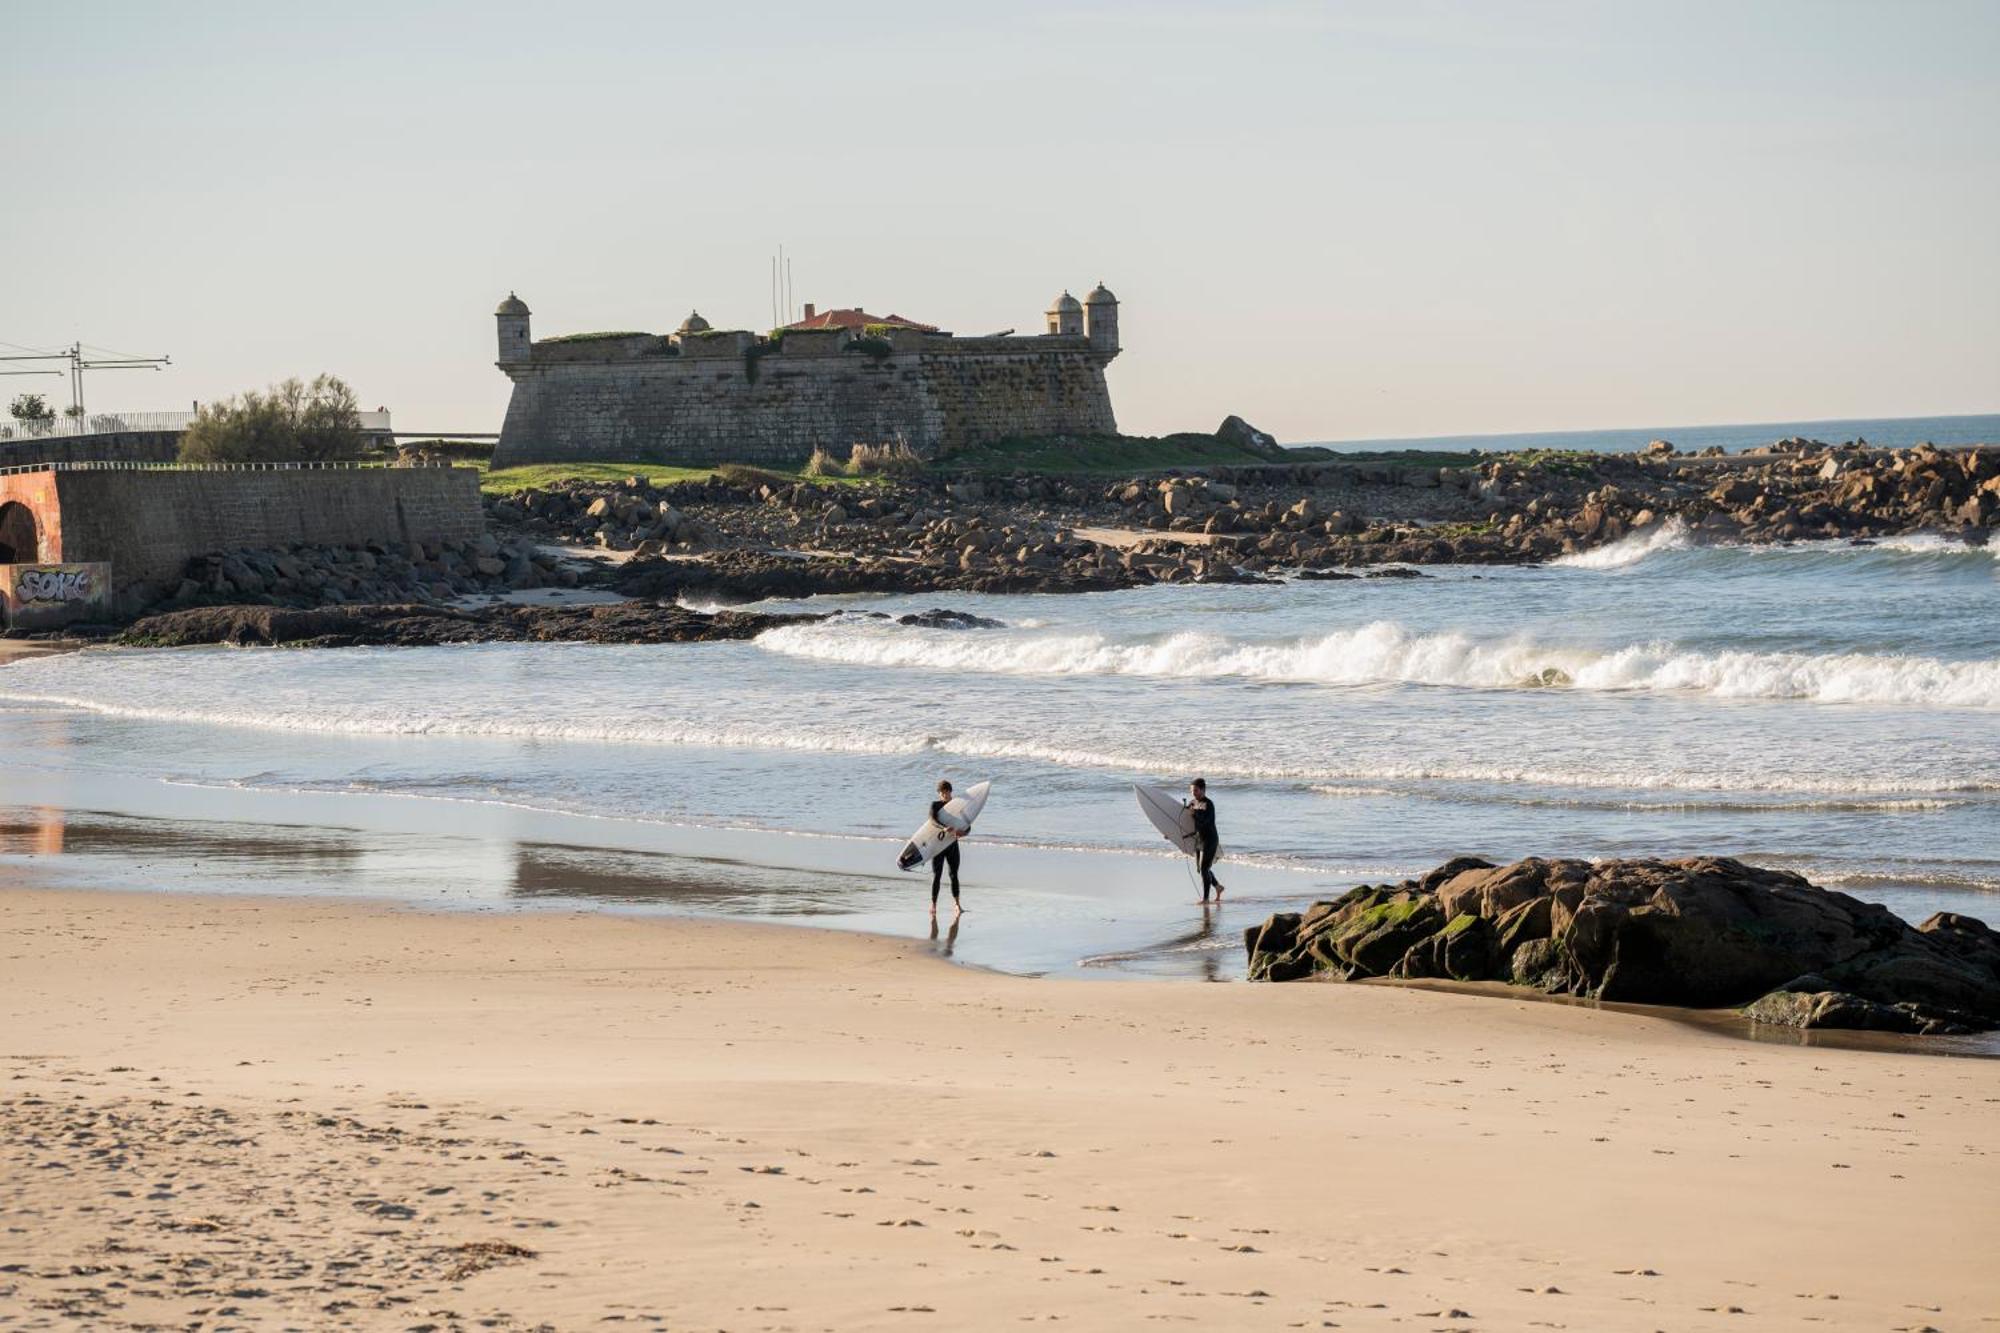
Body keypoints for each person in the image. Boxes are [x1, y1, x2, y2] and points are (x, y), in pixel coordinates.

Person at [929, 779, 964, 918]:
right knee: (936, 876)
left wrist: (963, 832)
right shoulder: (935, 805)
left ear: (951, 792)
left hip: (952, 845)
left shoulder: (957, 806)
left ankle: (957, 904)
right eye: (942, 793)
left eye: (947, 792)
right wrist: (944, 827)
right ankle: (933, 904)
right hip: (938, 844)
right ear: (939, 793)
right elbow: (932, 820)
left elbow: (967, 825)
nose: (945, 795)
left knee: (954, 875)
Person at [1187, 777, 1223, 902]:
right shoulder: (1192, 803)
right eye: (1192, 791)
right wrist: (1170, 833)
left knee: (1204, 869)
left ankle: (1206, 899)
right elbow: (1185, 822)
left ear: (1203, 790)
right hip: (1199, 840)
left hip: (1210, 839)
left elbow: (1206, 823)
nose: (1193, 793)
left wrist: (1194, 815)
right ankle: (1218, 887)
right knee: (1201, 869)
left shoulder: (1209, 804)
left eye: (1196, 790)